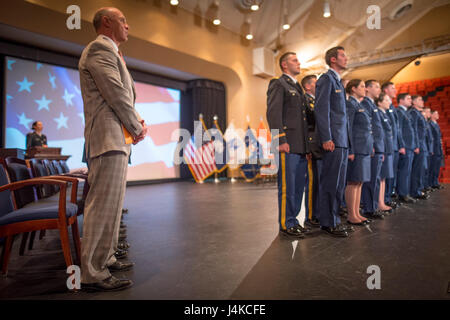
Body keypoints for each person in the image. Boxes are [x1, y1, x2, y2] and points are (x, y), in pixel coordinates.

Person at [79, 7, 148, 292]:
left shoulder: (111, 51)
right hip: (108, 138)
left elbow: (122, 94)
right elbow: (116, 93)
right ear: (106, 23)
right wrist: (136, 126)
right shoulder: (99, 49)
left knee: (112, 208)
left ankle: (105, 258)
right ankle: (92, 273)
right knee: (101, 207)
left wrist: (135, 121)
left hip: (116, 139)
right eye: (123, 20)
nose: (128, 26)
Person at [266, 52, 310, 238]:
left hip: (300, 146)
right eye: (294, 60)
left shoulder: (297, 87)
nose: (299, 63)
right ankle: (286, 223)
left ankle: (295, 220)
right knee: (288, 186)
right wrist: (280, 140)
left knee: (299, 185)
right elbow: (273, 114)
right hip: (288, 144)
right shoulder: (278, 83)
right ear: (284, 65)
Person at [314, 46, 352, 237]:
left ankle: (335, 219)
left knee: (339, 184)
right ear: (333, 60)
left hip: (342, 141)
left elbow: (342, 116)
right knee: (331, 182)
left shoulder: (338, 82)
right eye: (343, 56)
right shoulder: (326, 79)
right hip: (333, 140)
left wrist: (347, 142)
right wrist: (327, 137)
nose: (346, 58)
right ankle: (328, 222)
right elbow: (322, 110)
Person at [344, 79, 372, 226]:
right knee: (353, 181)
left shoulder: (359, 104)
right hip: (357, 148)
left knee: (359, 181)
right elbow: (348, 127)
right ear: (353, 89)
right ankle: (351, 214)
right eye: (362, 86)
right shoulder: (350, 104)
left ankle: (356, 212)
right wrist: (350, 149)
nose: (365, 89)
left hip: (364, 147)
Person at [361, 80, 385, 220]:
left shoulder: (371, 104)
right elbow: (368, 128)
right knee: (370, 179)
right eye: (376, 86)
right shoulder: (365, 103)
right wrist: (373, 146)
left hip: (377, 146)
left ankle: (373, 206)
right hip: (372, 146)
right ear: (368, 89)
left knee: (375, 178)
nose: (379, 89)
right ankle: (369, 207)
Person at [301, 74, 322, 228]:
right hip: (311, 145)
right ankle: (310, 216)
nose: (318, 86)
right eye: (315, 83)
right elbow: (306, 125)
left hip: (318, 146)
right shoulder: (305, 100)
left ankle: (318, 212)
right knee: (312, 182)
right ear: (308, 86)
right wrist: (307, 147)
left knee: (319, 181)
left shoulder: (316, 101)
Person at [381, 82, 400, 208]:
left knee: (390, 173)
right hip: (387, 145)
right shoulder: (383, 106)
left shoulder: (392, 107)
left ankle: (388, 196)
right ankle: (384, 199)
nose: (395, 90)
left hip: (393, 144)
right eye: (392, 88)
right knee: (385, 174)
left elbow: (395, 129)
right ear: (385, 90)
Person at [395, 93, 417, 204]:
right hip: (405, 146)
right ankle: (402, 194)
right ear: (401, 100)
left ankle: (405, 192)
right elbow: (398, 130)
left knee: (407, 171)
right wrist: (402, 145)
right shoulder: (399, 112)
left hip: (410, 146)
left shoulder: (405, 112)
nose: (411, 100)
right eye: (408, 98)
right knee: (404, 171)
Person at [376, 93, 394, 213]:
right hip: (383, 148)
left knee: (384, 178)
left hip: (387, 148)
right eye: (386, 100)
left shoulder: (384, 113)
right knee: (381, 176)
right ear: (379, 102)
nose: (389, 102)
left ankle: (381, 202)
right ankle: (379, 203)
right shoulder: (378, 113)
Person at [409, 95, 429, 200]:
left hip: (422, 144)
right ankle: (414, 191)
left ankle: (418, 189)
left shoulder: (418, 113)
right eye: (420, 100)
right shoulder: (413, 113)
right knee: (416, 169)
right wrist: (416, 145)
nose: (422, 101)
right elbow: (414, 130)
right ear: (414, 102)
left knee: (420, 169)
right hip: (419, 145)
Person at [429, 110, 444, 189]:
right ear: (431, 115)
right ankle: (431, 183)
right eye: (436, 113)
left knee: (437, 166)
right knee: (433, 167)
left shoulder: (436, 124)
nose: (438, 114)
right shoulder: (430, 124)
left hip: (438, 148)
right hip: (434, 148)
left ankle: (435, 182)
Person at [422, 107, 434, 193]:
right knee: (423, 169)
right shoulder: (425, 123)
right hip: (423, 148)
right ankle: (423, 186)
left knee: (426, 169)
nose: (428, 114)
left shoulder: (427, 123)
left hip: (426, 148)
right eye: (427, 112)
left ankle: (425, 185)